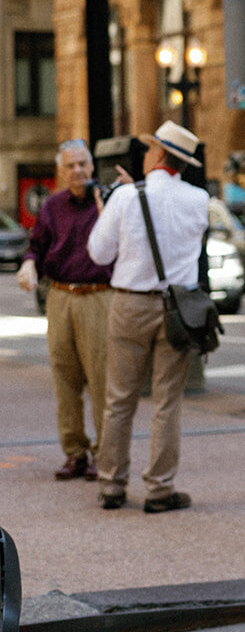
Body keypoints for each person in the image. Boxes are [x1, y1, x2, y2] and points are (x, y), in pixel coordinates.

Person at [87, 121, 209, 513]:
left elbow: (98, 254)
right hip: (179, 308)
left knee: (119, 399)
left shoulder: (125, 197)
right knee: (167, 402)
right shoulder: (199, 199)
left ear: (157, 153)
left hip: (130, 304)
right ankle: (159, 489)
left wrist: (111, 207)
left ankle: (111, 485)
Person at [18, 138, 112, 480]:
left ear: (92, 166)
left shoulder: (107, 200)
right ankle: (75, 452)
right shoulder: (52, 207)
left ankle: (106, 453)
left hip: (100, 296)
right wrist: (29, 265)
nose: (78, 171)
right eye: (71, 165)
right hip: (59, 296)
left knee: (102, 379)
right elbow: (36, 247)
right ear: (62, 170)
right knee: (64, 377)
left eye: (83, 164)